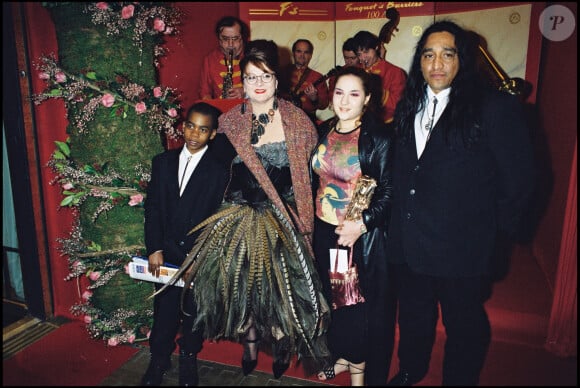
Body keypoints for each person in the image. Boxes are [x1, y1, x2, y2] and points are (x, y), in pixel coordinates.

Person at [159, 39, 331, 380]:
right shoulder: (230, 123)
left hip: (283, 216)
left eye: (265, 75)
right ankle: (250, 343)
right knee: (245, 291)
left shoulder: (299, 122)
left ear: (277, 80)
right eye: (251, 77)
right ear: (243, 81)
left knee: (284, 291)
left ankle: (283, 346)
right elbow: (209, 172)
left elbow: (312, 177)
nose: (259, 84)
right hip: (237, 215)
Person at [386, 20, 535, 386]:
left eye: (447, 54)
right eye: (428, 55)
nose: (436, 63)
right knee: (415, 315)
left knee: (464, 324)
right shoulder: (409, 105)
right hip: (410, 242)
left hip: (463, 247)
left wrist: (495, 240)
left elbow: (521, 180)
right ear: (419, 62)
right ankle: (411, 369)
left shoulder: (495, 107)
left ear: (462, 60)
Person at [311, 66, 396, 386]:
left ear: (368, 98)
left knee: (349, 306)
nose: (344, 101)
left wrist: (360, 225)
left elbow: (390, 191)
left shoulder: (379, 137)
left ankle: (358, 377)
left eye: (354, 94)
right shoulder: (324, 129)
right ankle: (344, 357)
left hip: (349, 238)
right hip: (322, 232)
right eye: (338, 92)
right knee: (334, 303)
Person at [142, 102, 229, 386]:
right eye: (190, 126)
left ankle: (188, 357)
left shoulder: (219, 172)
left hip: (197, 255)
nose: (194, 134)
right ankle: (159, 359)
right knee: (164, 311)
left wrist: (200, 258)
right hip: (165, 252)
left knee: (193, 312)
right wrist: (154, 248)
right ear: (182, 126)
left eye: (203, 130)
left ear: (213, 134)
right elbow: (153, 208)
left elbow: (218, 219)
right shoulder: (162, 162)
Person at [353, 30, 406, 124]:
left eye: (366, 52)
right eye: (359, 54)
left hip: (385, 126)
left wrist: (376, 90)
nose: (363, 58)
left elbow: (399, 106)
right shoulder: (356, 71)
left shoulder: (395, 72)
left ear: (376, 48)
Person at [279, 39, 330, 124]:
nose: (302, 55)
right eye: (299, 51)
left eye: (306, 52)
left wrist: (315, 99)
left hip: (308, 121)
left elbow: (324, 104)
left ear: (310, 55)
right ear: (293, 53)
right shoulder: (282, 73)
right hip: (283, 120)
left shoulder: (317, 77)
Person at [199, 16, 248, 100]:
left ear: (242, 38)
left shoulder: (253, 54)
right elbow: (205, 92)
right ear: (219, 39)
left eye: (235, 38)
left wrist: (245, 91)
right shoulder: (210, 59)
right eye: (225, 39)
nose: (230, 44)